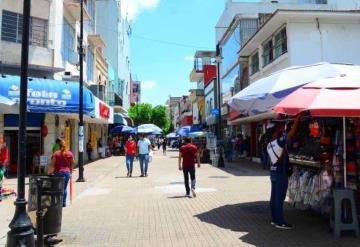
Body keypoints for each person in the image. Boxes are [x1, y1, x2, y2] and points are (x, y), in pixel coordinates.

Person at [268, 113, 303, 229]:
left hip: (273, 172)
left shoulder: (269, 143)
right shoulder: (279, 141)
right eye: (277, 129)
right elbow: (291, 134)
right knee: (279, 198)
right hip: (280, 173)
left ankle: (274, 219)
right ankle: (280, 222)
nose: (279, 131)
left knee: (273, 197)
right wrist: (297, 119)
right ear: (274, 132)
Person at [48, 139, 74, 207]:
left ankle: (58, 202)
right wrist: (70, 171)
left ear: (59, 146)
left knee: (57, 188)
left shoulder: (56, 153)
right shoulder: (70, 153)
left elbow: (52, 164)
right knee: (64, 188)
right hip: (67, 173)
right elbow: (72, 163)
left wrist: (50, 172)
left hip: (58, 173)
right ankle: (63, 203)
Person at [0, 135, 8, 202]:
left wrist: (3, 162)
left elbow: (5, 158)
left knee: (1, 176)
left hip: (1, 165)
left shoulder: (4, 148)